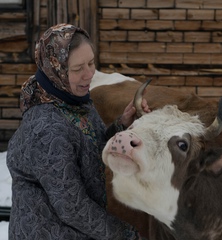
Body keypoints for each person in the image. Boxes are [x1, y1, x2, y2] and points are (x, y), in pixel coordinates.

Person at [6, 23, 150, 240]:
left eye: (91, 63)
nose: (89, 74)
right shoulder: (46, 129)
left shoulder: (74, 102)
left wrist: (122, 123)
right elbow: (72, 207)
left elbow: (90, 151)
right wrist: (125, 234)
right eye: (77, 69)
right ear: (56, 70)